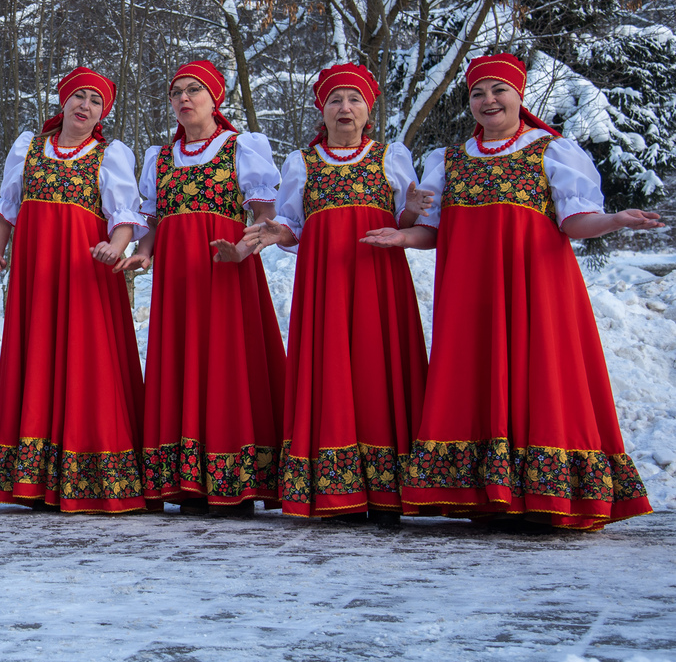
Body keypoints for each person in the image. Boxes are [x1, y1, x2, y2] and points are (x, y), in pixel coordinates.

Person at [363, 52, 658, 530]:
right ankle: (485, 495)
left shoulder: (551, 150)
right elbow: (432, 230)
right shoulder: (449, 160)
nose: (488, 100)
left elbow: (575, 219)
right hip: (469, 298)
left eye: (498, 90)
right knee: (475, 379)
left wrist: (614, 221)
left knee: (540, 375)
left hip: (536, 292)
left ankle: (548, 495)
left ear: (519, 96)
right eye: (478, 93)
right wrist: (403, 235)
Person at [234, 63, 430, 523]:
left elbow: (404, 224)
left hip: (379, 283)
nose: (345, 108)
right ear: (321, 111)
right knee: (331, 370)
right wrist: (271, 233)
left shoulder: (389, 157)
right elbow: (292, 226)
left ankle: (387, 492)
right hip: (325, 285)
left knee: (377, 368)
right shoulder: (303, 162)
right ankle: (335, 488)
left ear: (369, 110)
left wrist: (411, 213)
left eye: (354, 100)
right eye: (335, 100)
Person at [117, 60, 285, 514]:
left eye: (195, 91)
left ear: (216, 98)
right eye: (177, 93)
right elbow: (154, 221)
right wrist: (145, 252)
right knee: (181, 362)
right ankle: (187, 482)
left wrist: (243, 250)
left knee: (228, 364)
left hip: (226, 270)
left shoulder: (240, 147)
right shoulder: (161, 156)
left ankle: (235, 481)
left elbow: (265, 219)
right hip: (177, 279)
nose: (184, 99)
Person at [0, 67, 149, 513]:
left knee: (87, 362)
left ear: (103, 114)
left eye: (96, 101)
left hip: (86, 275)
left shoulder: (109, 155)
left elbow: (124, 217)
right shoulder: (29, 148)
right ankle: (35, 481)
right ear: (62, 101)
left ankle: (94, 476)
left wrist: (114, 249)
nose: (85, 106)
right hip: (37, 277)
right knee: (37, 356)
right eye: (79, 96)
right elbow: (7, 209)